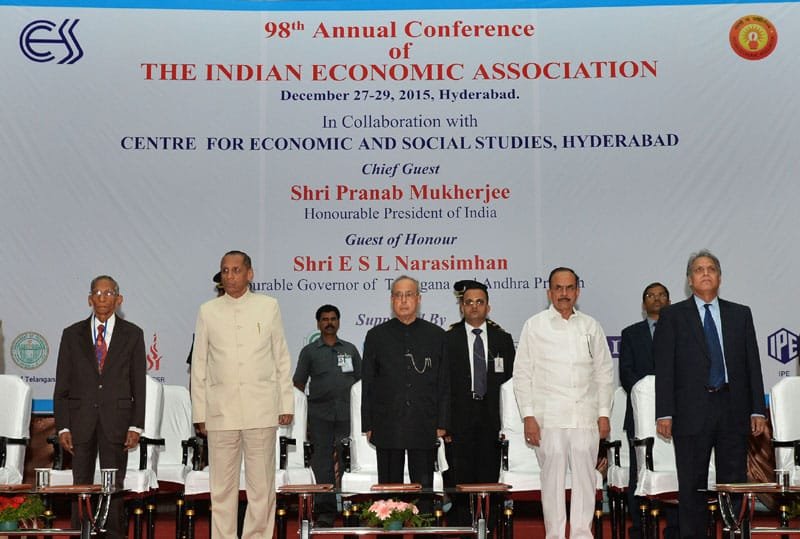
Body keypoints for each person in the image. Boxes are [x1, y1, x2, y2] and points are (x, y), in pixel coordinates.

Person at [654, 250, 767, 539]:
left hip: (733, 408)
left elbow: (752, 363)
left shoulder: (740, 314)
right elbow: (665, 367)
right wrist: (664, 411)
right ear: (689, 280)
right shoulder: (672, 316)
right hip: (690, 411)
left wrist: (757, 409)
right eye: (698, 270)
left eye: (711, 269)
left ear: (719, 277)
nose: (705, 273)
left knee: (733, 484)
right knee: (692, 486)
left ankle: (732, 534)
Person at [191, 250, 294, 539]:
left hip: (261, 409)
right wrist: (200, 412)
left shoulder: (269, 306)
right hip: (220, 411)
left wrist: (285, 402)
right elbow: (199, 364)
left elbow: (281, 358)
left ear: (250, 274)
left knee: (261, 487)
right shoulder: (207, 310)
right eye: (225, 270)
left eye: (236, 270)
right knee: (221, 489)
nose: (230, 275)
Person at [513, 267, 614, 539]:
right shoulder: (534, 325)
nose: (564, 294)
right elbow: (522, 374)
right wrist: (528, 417)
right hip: (548, 419)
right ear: (549, 292)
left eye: (569, 288)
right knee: (552, 482)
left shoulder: (591, 326)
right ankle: (555, 535)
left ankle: (582, 534)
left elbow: (604, 372)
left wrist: (604, 413)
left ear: (578, 292)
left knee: (585, 479)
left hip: (585, 417)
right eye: (558, 288)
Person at [53, 275, 147, 539]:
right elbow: (62, 384)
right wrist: (63, 426)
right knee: (80, 484)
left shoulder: (133, 334)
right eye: (97, 293)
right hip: (80, 420)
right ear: (89, 299)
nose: (102, 298)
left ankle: (113, 535)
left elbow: (138, 385)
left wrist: (135, 425)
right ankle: (80, 533)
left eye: (109, 293)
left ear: (119, 299)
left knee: (113, 485)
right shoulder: (71, 334)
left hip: (117, 421)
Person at [361, 275, 449, 493]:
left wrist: (443, 421)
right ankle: (390, 525)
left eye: (408, 295)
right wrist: (368, 424)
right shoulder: (376, 336)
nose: (403, 301)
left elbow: (444, 383)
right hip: (387, 422)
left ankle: (424, 525)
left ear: (418, 299)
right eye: (398, 295)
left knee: (423, 488)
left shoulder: (436, 335)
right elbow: (368, 384)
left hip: (424, 421)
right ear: (391, 300)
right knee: (389, 489)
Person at [444, 280, 515, 531]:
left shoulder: (503, 340)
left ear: (488, 307)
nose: (474, 307)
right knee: (461, 478)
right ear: (461, 307)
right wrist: (444, 425)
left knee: (489, 476)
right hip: (459, 418)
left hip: (492, 418)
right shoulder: (448, 339)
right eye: (469, 302)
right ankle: (465, 529)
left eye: (479, 302)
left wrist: (510, 424)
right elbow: (442, 385)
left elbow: (510, 384)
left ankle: (489, 528)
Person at [293, 304, 362, 527]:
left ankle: (351, 509)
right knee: (322, 463)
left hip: (347, 415)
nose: (329, 322)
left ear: (339, 322)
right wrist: (302, 419)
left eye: (333, 318)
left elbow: (361, 384)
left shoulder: (350, 349)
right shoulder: (310, 351)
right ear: (318, 324)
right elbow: (298, 384)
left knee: (348, 462)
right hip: (319, 415)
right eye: (325, 319)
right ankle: (326, 512)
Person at [619, 282, 678, 538]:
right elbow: (626, 374)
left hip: (678, 414)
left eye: (661, 295)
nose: (656, 299)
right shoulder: (631, 333)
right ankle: (639, 526)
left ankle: (677, 526)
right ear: (644, 304)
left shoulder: (683, 331)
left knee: (678, 470)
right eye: (650, 296)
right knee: (638, 471)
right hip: (639, 415)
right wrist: (647, 396)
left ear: (669, 300)